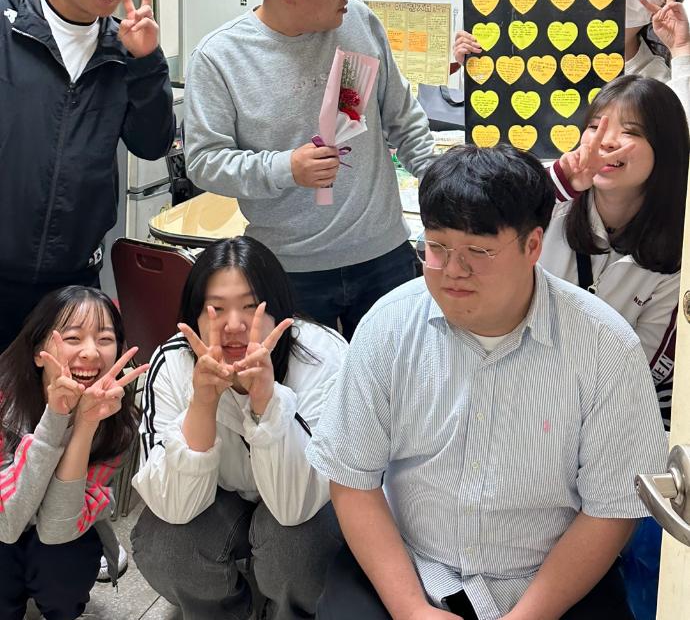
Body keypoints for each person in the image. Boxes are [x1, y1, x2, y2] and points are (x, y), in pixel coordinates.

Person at [306, 145, 668, 620]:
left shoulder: (605, 347)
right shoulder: (388, 326)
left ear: (533, 246)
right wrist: (410, 608)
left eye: (478, 251)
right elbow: (352, 479)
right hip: (412, 565)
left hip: (548, 579)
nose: (454, 270)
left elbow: (611, 509)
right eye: (437, 247)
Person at [184, 0, 435, 339]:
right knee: (295, 380)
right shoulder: (220, 57)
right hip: (289, 268)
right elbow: (204, 162)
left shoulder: (358, 23)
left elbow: (402, 118)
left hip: (383, 255)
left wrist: (442, 186)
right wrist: (287, 168)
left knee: (392, 375)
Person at [131, 236, 348, 620]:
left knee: (296, 545)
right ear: (194, 315)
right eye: (216, 308)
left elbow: (294, 508)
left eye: (251, 306)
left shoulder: (324, 358)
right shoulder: (172, 363)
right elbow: (173, 508)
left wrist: (266, 400)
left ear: (279, 309)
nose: (234, 325)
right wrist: (203, 402)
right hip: (219, 502)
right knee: (164, 543)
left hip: (304, 510)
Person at [0, 0, 175, 352]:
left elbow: (152, 143)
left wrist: (147, 61)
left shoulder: (122, 47)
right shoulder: (8, 24)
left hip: (74, 278)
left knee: (69, 393)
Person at [541, 75, 689, 429]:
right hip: (529, 388)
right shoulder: (551, 198)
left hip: (620, 411)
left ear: (665, 149)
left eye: (631, 131)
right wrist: (562, 183)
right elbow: (484, 218)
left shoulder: (678, 246)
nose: (606, 141)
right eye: (595, 126)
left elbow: (642, 366)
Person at [0, 286, 148, 619]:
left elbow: (57, 528)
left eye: (105, 339)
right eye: (73, 338)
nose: (91, 352)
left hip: (60, 531)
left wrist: (84, 425)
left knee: (64, 561)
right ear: (39, 353)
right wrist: (55, 418)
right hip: (6, 521)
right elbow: (7, 523)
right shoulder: (4, 400)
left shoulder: (118, 423)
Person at [453, 0, 690, 117]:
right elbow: (508, 99)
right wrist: (478, 65)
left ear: (667, 2)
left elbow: (680, 132)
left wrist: (680, 48)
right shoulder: (552, 39)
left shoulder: (653, 74)